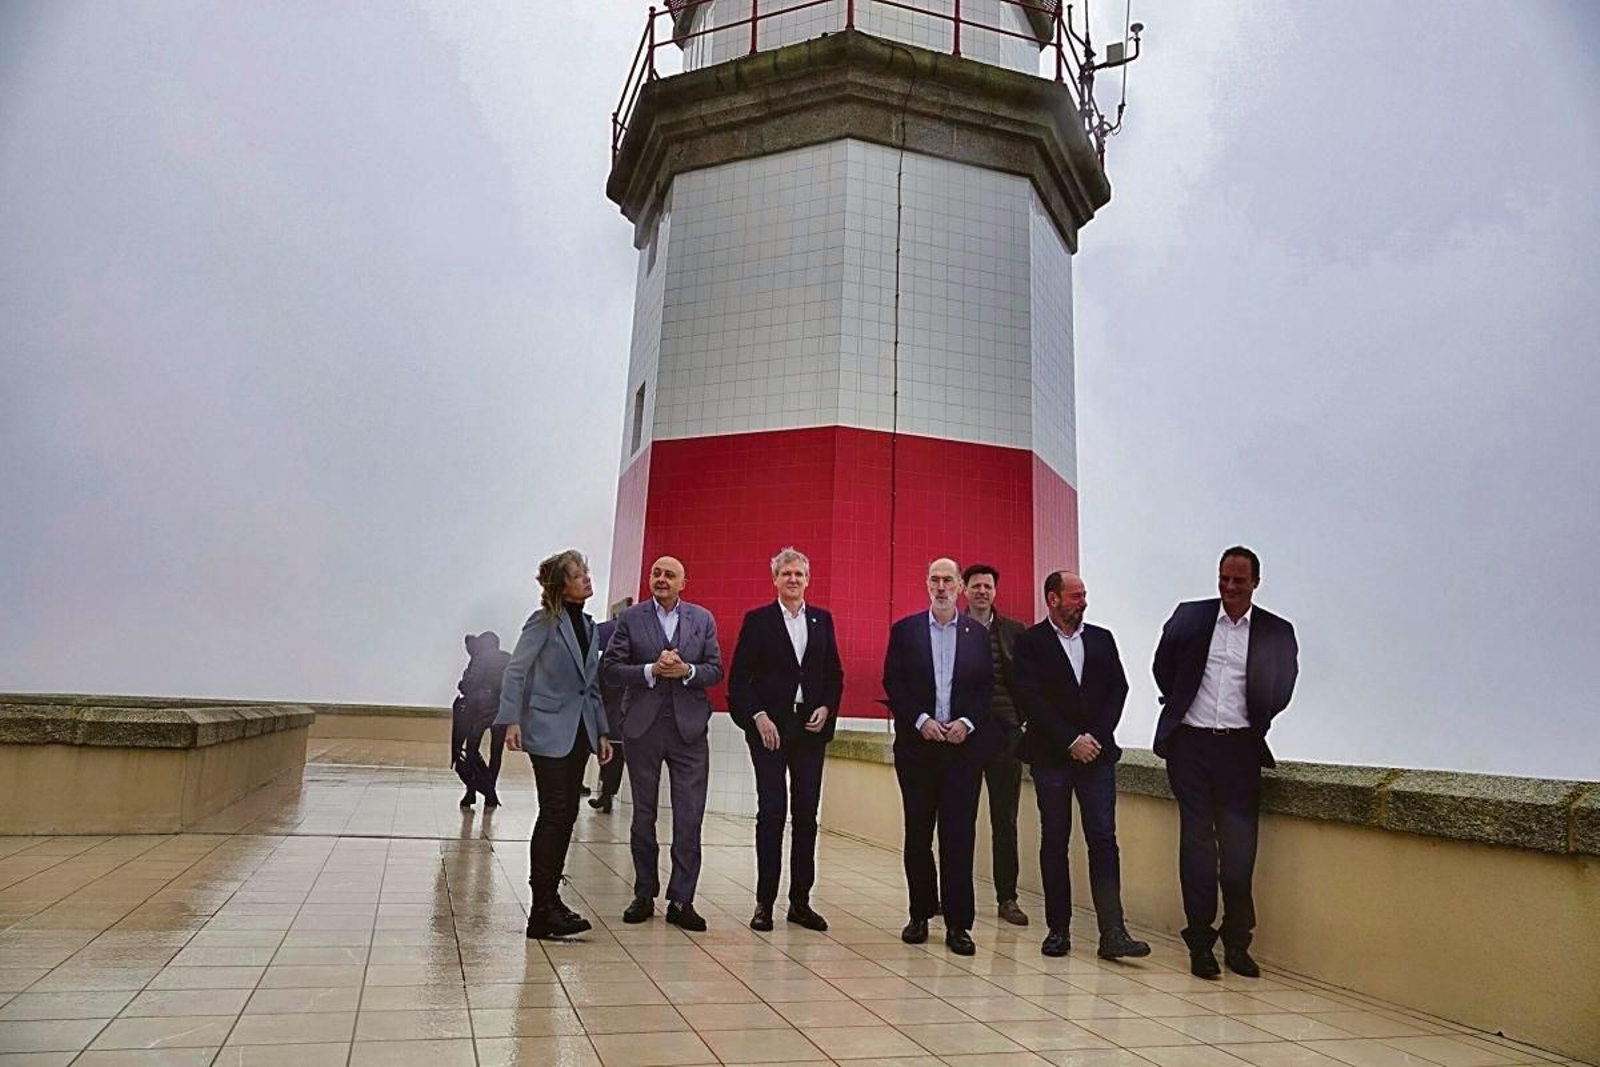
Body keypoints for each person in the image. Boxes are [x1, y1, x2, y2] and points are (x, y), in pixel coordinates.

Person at [1153, 546, 1299, 980]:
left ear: (1256, 582)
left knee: (1239, 848)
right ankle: (1200, 943)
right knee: (1197, 845)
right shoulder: (1190, 617)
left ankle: (1237, 941)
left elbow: (1283, 688)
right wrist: (1180, 703)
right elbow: (1163, 667)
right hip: (1191, 745)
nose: (1230, 587)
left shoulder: (1276, 631)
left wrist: (1256, 718)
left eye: (1239, 580)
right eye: (1224, 578)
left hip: (1240, 750)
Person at [1012, 571, 1149, 960]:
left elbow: (1118, 689)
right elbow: (1030, 697)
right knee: (1055, 840)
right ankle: (1058, 930)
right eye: (1075, 596)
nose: (1083, 602)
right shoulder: (1030, 642)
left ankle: (1113, 932)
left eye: (1084, 595)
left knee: (1103, 839)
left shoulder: (1102, 639)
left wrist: (1095, 738)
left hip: (1097, 757)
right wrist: (1070, 740)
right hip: (1051, 757)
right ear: (1053, 599)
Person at [495, 549, 614, 940]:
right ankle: (542, 908)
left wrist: (602, 731)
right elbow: (516, 671)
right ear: (561, 586)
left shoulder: (590, 626)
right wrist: (511, 719)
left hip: (580, 732)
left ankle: (550, 903)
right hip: (547, 728)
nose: (587, 579)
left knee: (566, 815)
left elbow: (591, 686)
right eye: (578, 575)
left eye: (586, 572)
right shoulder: (544, 621)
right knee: (554, 811)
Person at [601, 555, 724, 932]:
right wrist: (650, 670)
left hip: (690, 731)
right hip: (643, 728)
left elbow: (715, 670)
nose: (662, 579)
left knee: (689, 816)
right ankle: (643, 893)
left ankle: (682, 900)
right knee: (644, 814)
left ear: (683, 583)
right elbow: (610, 669)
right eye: (656, 573)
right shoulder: (631, 618)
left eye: (670, 575)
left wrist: (687, 671)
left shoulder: (702, 619)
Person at [882, 557, 997, 956]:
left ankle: (959, 924)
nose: (942, 587)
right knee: (918, 834)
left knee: (958, 836)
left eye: (949, 580)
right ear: (927, 585)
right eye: (935, 580)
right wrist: (920, 720)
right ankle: (919, 913)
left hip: (962, 752)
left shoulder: (976, 634)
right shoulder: (905, 631)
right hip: (918, 750)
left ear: (959, 586)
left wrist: (967, 721)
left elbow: (986, 688)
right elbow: (893, 682)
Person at [727, 548, 844, 934]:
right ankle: (764, 903)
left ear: (808, 580)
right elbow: (739, 679)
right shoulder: (758, 620)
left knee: (807, 816)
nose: (793, 579)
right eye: (786, 573)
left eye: (799, 574)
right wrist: (758, 716)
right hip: (770, 732)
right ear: (775, 579)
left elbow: (834, 673)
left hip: (809, 731)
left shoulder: (822, 620)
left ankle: (800, 902)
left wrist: (826, 707)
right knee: (772, 813)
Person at [961, 563, 1029, 927]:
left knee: (1005, 820)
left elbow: (1030, 680)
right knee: (960, 819)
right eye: (976, 586)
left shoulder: (1014, 631)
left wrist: (1022, 721)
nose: (982, 591)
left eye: (988, 586)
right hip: (963, 737)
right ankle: (955, 893)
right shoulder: (953, 628)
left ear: (994, 592)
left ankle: (1008, 897)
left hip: (1005, 735)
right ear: (965, 590)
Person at [588, 598, 634, 814]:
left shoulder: (608, 659)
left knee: (611, 757)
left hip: (614, 714)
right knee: (614, 758)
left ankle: (606, 795)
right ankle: (606, 795)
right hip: (619, 715)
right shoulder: (634, 657)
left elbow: (597, 685)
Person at [455, 632, 509, 809]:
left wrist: (461, 684)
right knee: (496, 755)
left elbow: (470, 683)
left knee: (471, 751)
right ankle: (490, 793)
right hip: (501, 712)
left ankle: (472, 792)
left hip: (479, 711)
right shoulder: (508, 659)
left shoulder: (480, 658)